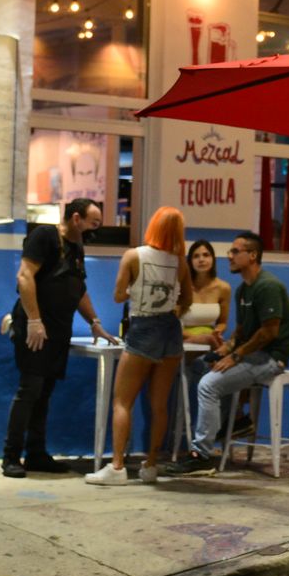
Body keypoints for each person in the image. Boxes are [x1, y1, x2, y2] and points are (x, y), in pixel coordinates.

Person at [168, 231, 289, 474]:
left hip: (271, 359)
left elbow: (268, 332)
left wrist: (235, 356)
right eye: (230, 251)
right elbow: (240, 331)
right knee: (204, 366)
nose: (229, 256)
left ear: (253, 255)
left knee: (208, 385)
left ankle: (201, 454)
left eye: (235, 252)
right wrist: (224, 349)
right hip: (252, 355)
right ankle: (234, 422)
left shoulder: (267, 286)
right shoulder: (243, 290)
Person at [85, 207, 193, 486]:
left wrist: (136, 289)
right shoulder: (180, 262)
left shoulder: (134, 255)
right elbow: (188, 300)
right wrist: (171, 312)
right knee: (159, 404)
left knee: (123, 400)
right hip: (170, 330)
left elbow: (119, 295)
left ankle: (118, 466)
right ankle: (151, 465)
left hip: (143, 327)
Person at [2, 198, 108, 479]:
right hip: (36, 328)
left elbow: (78, 288)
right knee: (30, 390)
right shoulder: (45, 237)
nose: (95, 230)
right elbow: (25, 276)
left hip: (59, 330)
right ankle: (11, 457)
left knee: (45, 393)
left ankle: (36, 454)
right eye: (92, 224)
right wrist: (35, 321)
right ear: (76, 219)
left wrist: (94, 322)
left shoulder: (76, 248)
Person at [178, 239, 231, 405]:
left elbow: (222, 322)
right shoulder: (181, 286)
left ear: (213, 259)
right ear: (190, 261)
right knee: (215, 349)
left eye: (206, 255)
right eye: (196, 256)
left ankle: (232, 415)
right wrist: (198, 337)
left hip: (211, 339)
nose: (201, 259)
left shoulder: (223, 288)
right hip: (182, 337)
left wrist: (218, 331)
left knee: (234, 358)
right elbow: (172, 321)